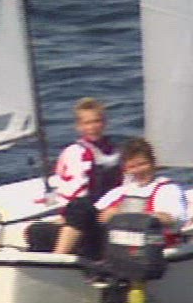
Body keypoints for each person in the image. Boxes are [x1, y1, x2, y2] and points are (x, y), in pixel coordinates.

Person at [29, 97, 124, 257]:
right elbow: (70, 194)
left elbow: (126, 186)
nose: (92, 127)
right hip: (84, 216)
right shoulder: (75, 152)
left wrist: (116, 208)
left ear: (105, 123)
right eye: (87, 123)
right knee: (36, 230)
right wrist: (65, 218)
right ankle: (58, 257)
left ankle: (59, 255)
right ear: (79, 126)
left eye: (97, 121)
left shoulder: (116, 151)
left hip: (107, 213)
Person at [95, 137, 190, 243]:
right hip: (119, 247)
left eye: (142, 164)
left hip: (154, 246)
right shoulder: (119, 192)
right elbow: (95, 215)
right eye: (132, 167)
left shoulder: (168, 189)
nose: (138, 171)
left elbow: (171, 219)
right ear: (126, 169)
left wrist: (124, 213)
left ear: (153, 163)